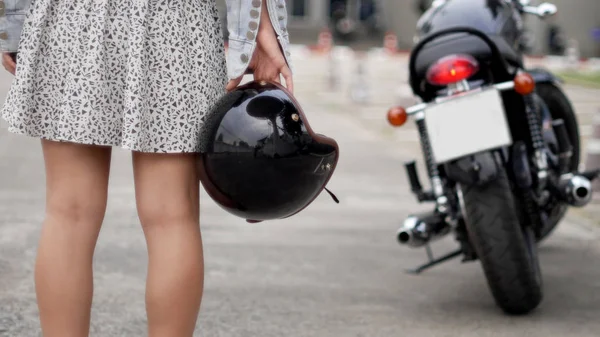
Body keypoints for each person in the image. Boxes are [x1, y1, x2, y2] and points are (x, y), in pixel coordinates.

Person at [0, 0, 293, 336]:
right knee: (172, 217)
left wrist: (15, 24)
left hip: (70, 16)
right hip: (176, 21)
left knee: (70, 212)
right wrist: (260, 29)